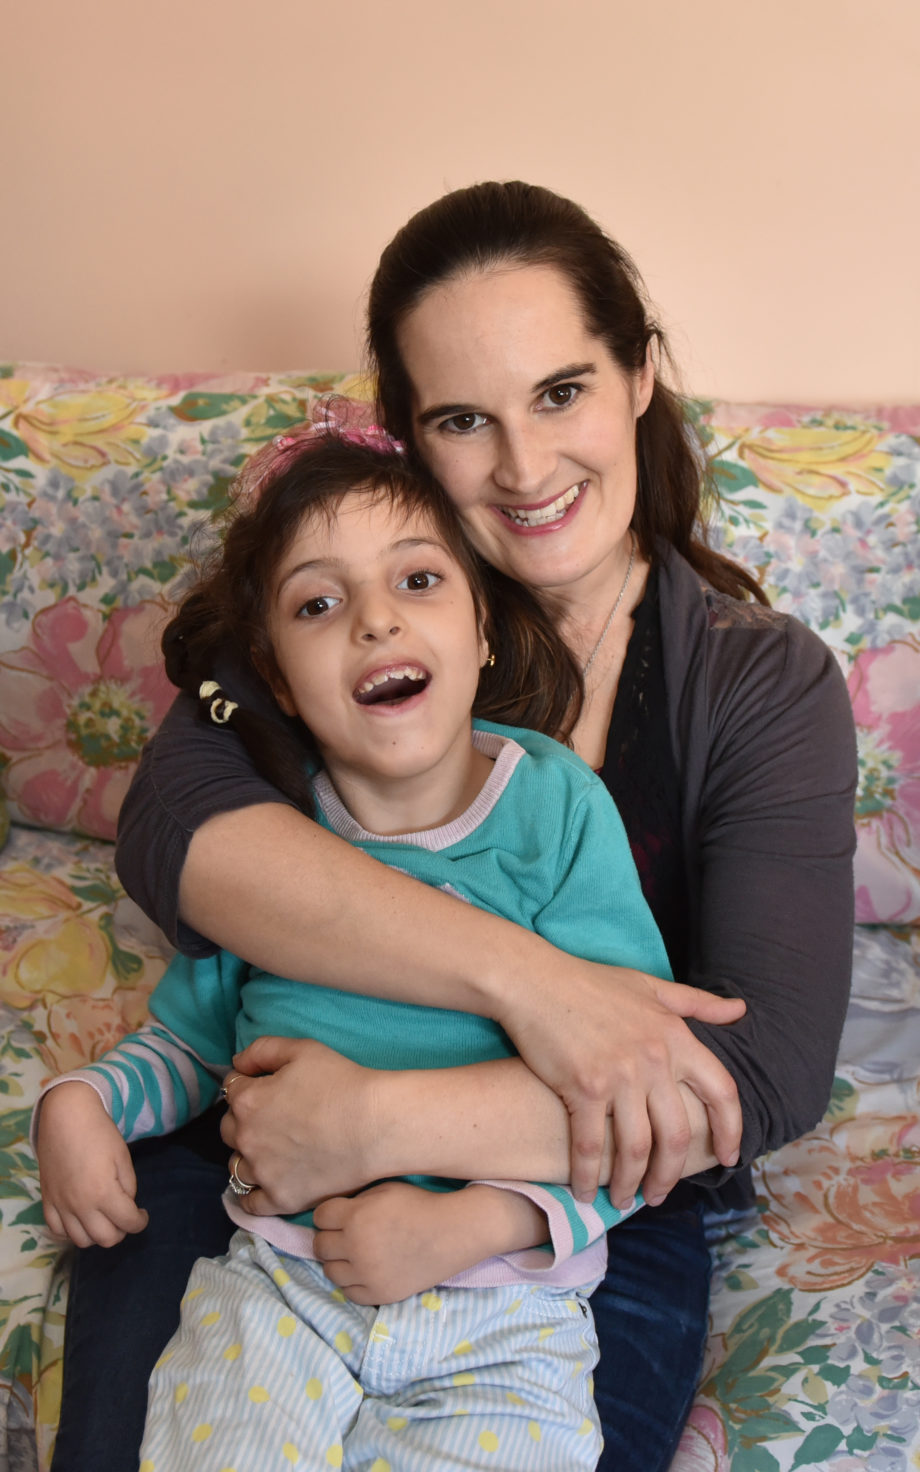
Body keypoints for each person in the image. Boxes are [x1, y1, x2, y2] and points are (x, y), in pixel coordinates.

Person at [52, 181, 857, 1472]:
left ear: (639, 375)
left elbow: (757, 1076)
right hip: (264, 1158)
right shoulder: (360, 606)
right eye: (463, 420)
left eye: (560, 392)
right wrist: (534, 986)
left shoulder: (759, 684)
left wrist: (380, 1125)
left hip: (562, 1207)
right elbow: (178, 832)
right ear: (406, 436)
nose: (526, 469)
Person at [35, 404, 716, 1470]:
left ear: (485, 625)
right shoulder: (273, 839)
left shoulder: (555, 810)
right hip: (279, 1294)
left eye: (418, 580)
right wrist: (80, 1103)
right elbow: (191, 1039)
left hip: (503, 1321)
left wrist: (474, 1224)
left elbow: (634, 1097)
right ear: (278, 674)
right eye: (320, 602)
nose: (374, 622)